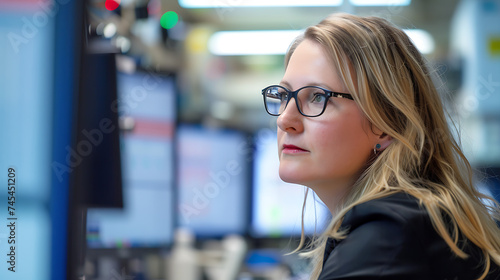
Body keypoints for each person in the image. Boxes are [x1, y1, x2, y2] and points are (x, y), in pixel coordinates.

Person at [261, 13, 500, 280]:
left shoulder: (386, 239)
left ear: (386, 123)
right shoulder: (412, 218)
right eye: (283, 96)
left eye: (318, 97)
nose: (285, 120)